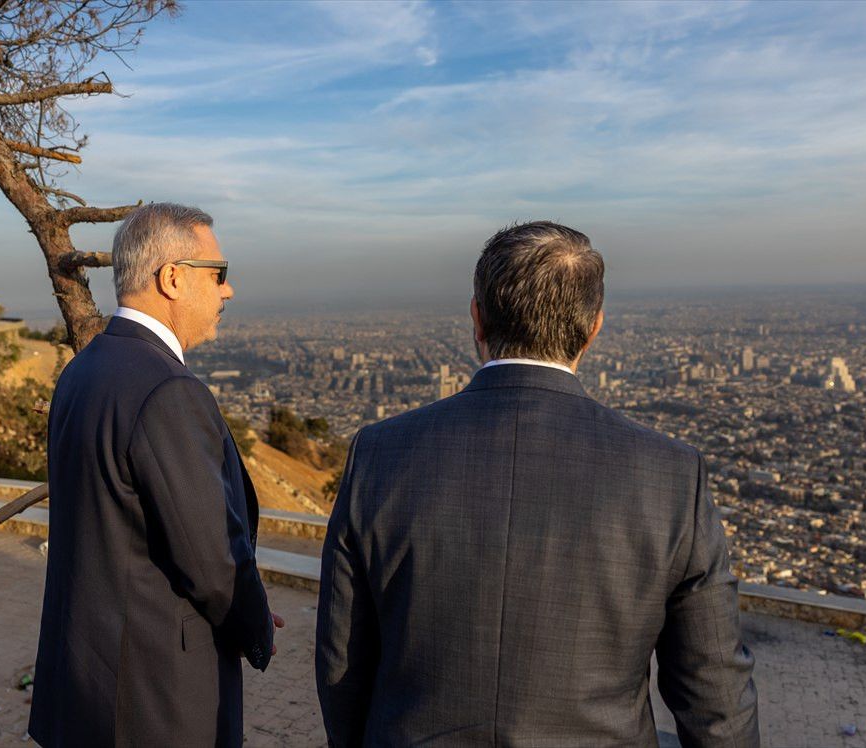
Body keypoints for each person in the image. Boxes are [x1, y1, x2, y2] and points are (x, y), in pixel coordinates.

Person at [316, 221, 759, 746]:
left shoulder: (381, 454)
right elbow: (716, 698)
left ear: (477, 317)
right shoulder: (669, 475)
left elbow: (342, 661)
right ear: (594, 327)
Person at [29, 203, 281, 748]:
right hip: (153, 698)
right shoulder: (167, 389)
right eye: (218, 273)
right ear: (172, 278)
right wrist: (255, 625)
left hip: (86, 682)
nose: (228, 290)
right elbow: (210, 558)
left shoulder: (82, 370)